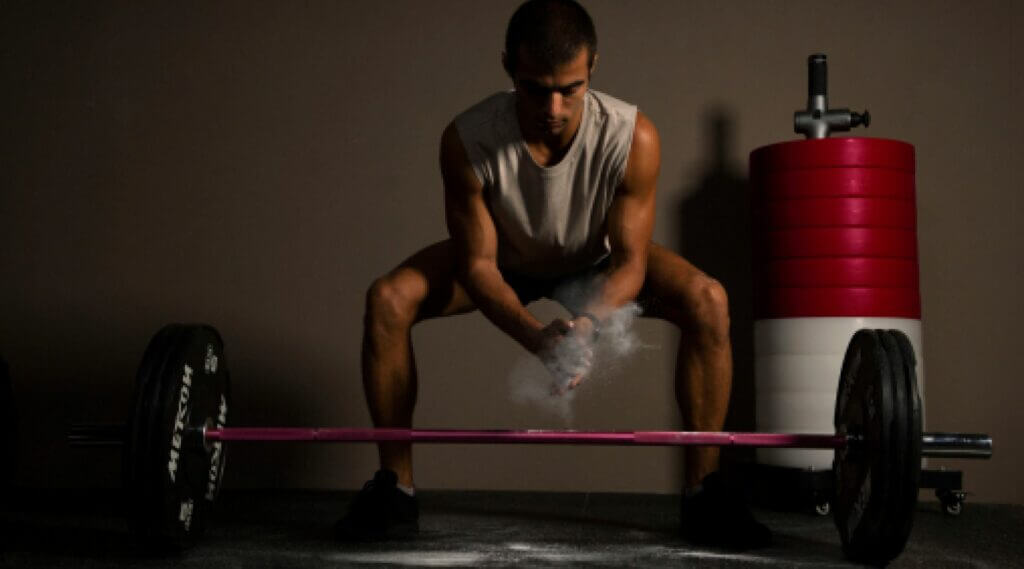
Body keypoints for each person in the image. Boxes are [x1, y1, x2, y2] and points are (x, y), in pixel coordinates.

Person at [336, 0, 771, 549]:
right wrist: (535, 337)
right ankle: (395, 490)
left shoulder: (631, 136)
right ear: (507, 69)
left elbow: (631, 261)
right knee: (388, 299)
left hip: (597, 263)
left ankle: (704, 492)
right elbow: (476, 265)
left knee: (708, 299)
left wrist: (587, 325)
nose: (554, 107)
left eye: (571, 87)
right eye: (536, 88)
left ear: (593, 67)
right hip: (504, 263)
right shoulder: (468, 139)